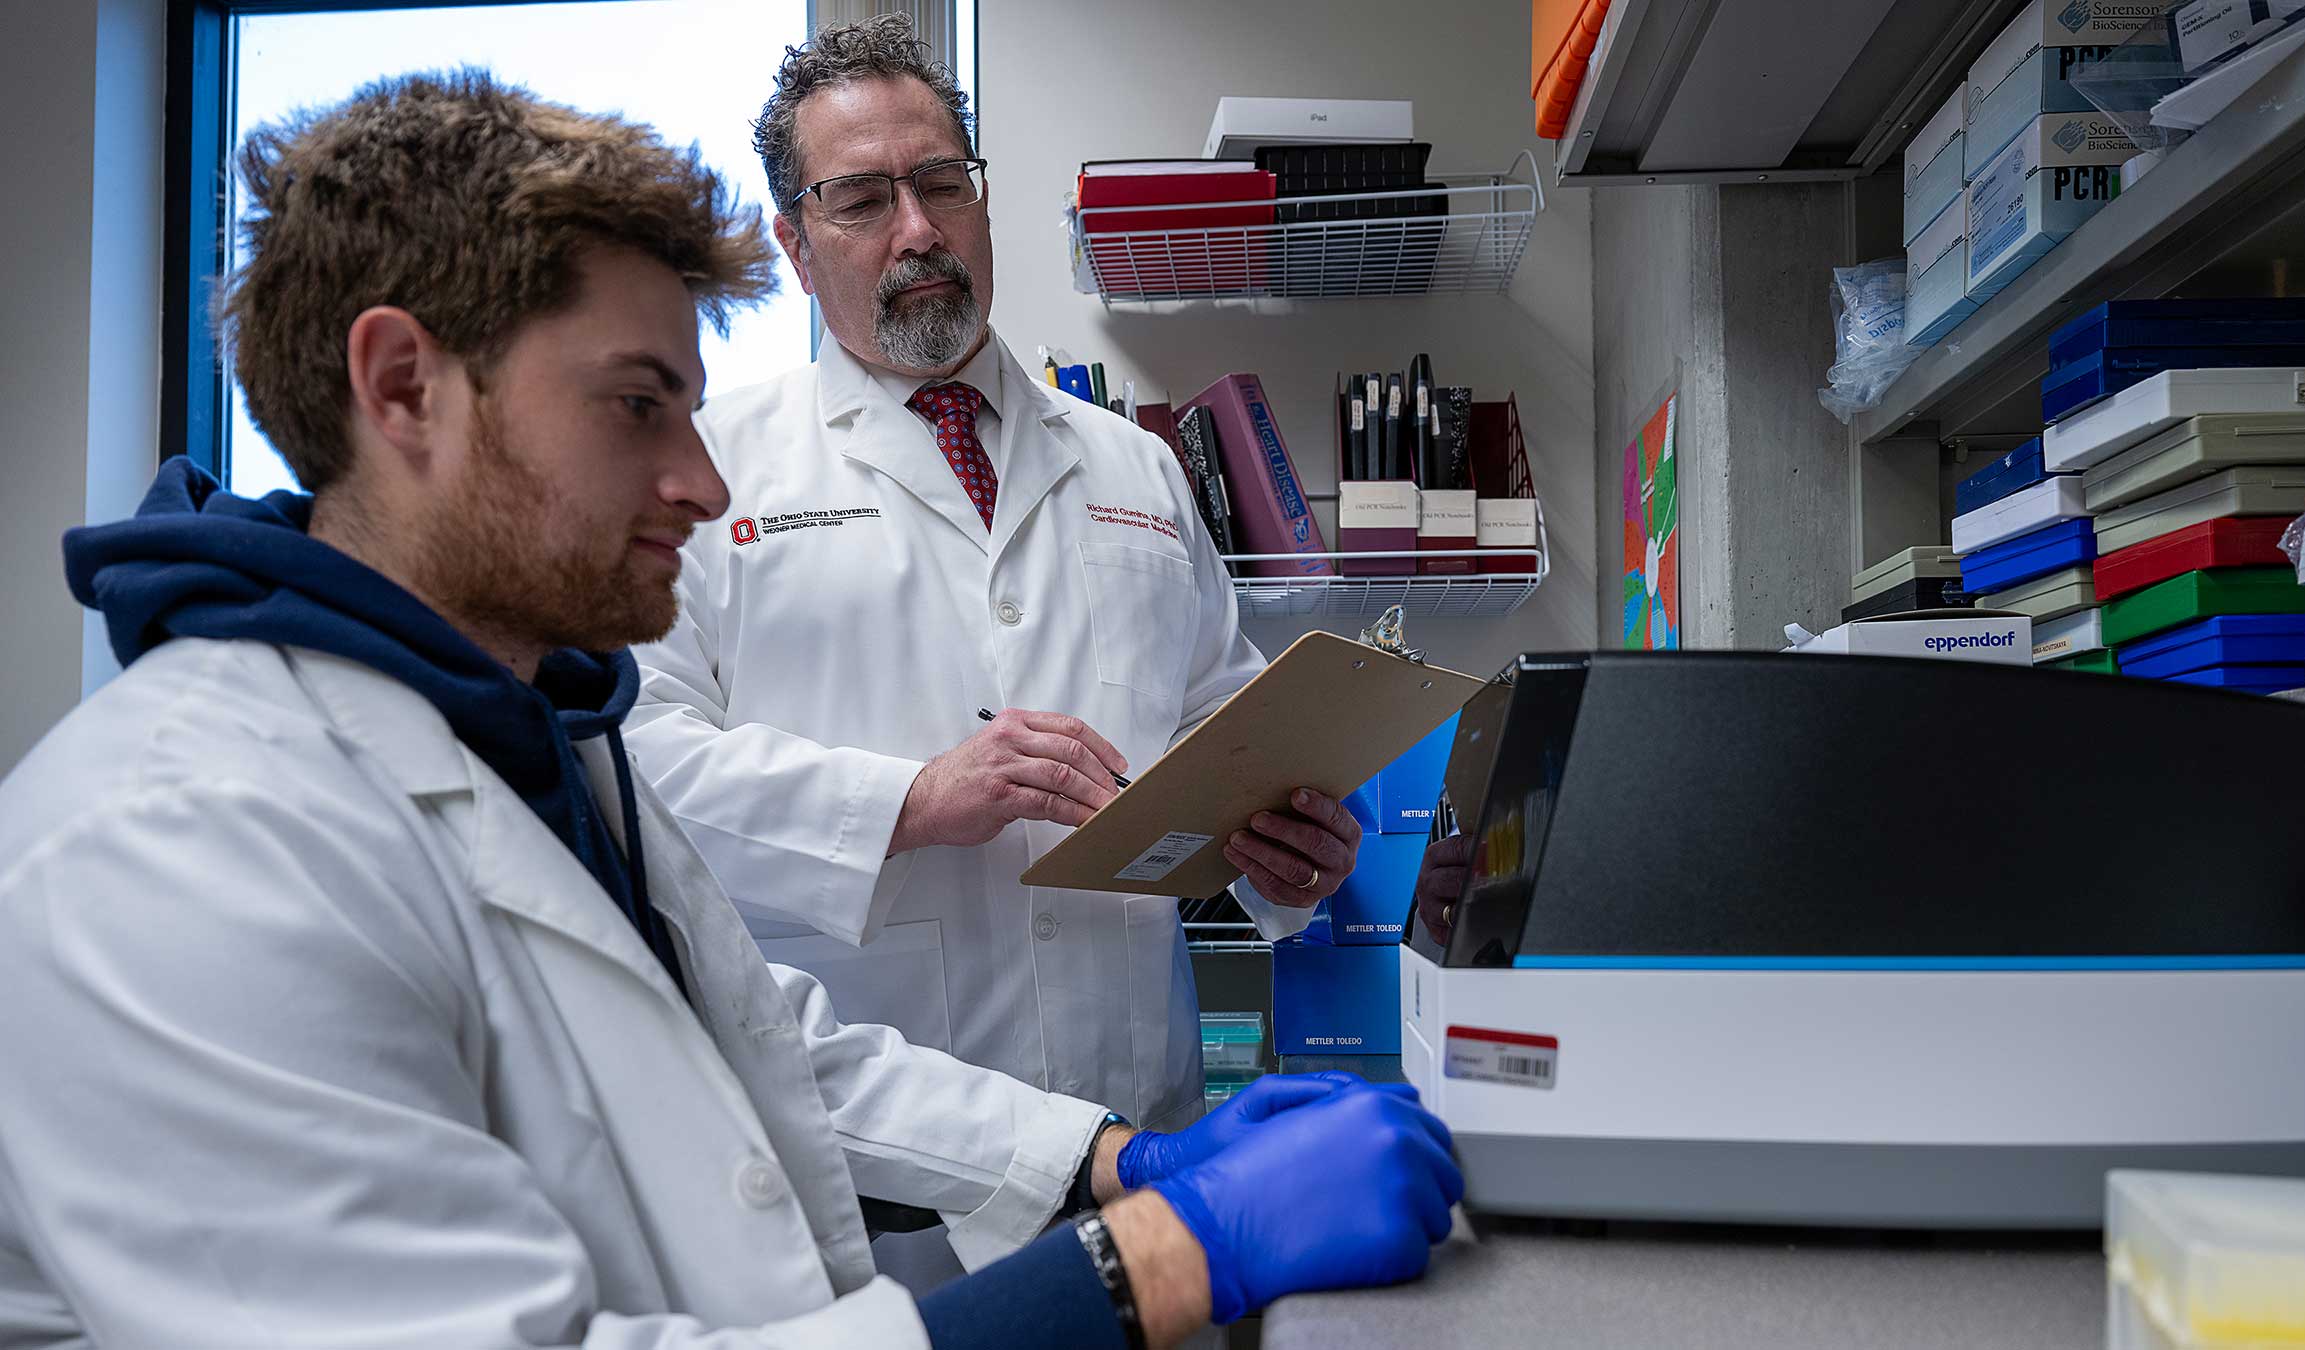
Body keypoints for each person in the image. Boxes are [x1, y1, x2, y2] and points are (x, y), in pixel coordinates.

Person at [0, 71, 1462, 1348]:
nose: (704, 483)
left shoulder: (535, 746)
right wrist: (1154, 1257)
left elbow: (772, 1044)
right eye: (639, 405)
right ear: (403, 388)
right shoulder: (171, 848)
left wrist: (1115, 1161)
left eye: (694, 407)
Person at [628, 15, 1355, 1158]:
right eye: (862, 200)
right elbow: (641, 772)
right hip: (877, 1165)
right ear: (794, 240)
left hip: (1140, 1121)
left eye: (940, 182)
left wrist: (1289, 856)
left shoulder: (1134, 466)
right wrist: (906, 804)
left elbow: (1225, 720)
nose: (918, 229)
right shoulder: (707, 473)